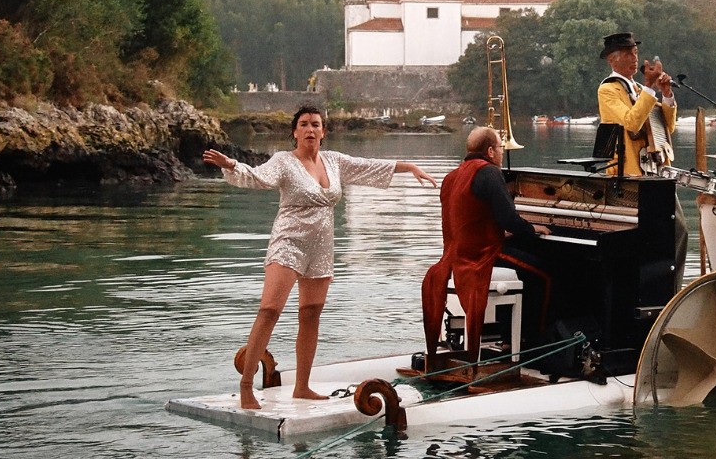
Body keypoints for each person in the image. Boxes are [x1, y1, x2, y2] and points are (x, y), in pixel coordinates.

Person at [203, 105, 436, 409]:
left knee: (311, 315)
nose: (310, 129)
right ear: (295, 132)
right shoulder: (283, 162)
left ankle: (302, 386)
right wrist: (232, 165)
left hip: (322, 248)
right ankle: (246, 385)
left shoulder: (334, 161)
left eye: (316, 124)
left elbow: (369, 166)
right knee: (270, 310)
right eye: (304, 124)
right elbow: (258, 178)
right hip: (289, 243)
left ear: (324, 132)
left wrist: (409, 167)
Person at [421, 126, 550, 366]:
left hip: (453, 256)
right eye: (500, 148)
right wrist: (533, 228)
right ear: (490, 151)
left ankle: (506, 339)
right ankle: (531, 344)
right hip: (480, 256)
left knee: (522, 266)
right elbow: (508, 219)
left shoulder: (451, 176)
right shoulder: (489, 172)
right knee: (543, 275)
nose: (501, 153)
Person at [596, 31, 691, 290]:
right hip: (629, 173)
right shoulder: (609, 90)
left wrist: (667, 94)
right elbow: (631, 123)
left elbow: (666, 126)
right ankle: (649, 290)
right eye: (628, 54)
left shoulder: (640, 89)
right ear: (613, 60)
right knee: (650, 235)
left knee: (678, 230)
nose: (634, 59)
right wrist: (650, 89)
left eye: (635, 53)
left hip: (655, 171)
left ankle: (672, 290)